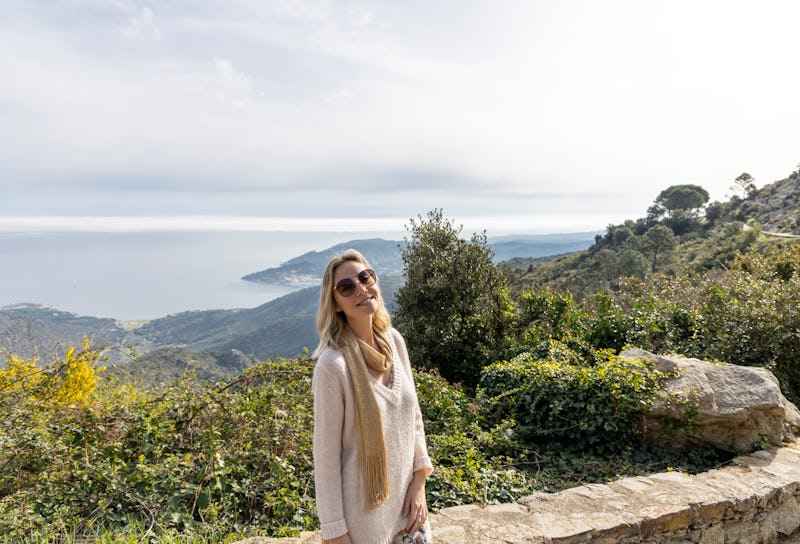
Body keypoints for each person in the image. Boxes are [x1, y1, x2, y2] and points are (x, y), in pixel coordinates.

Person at [312, 250, 434, 544]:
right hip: (364, 525)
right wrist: (335, 532)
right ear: (336, 304)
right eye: (346, 287)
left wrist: (419, 484)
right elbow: (326, 458)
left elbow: (414, 418)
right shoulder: (332, 367)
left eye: (366, 277)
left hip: (409, 512)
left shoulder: (394, 341)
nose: (361, 288)